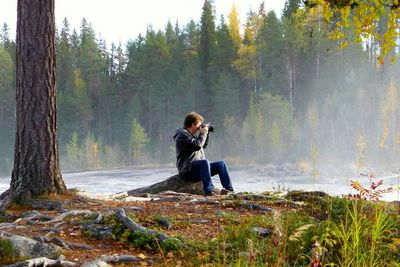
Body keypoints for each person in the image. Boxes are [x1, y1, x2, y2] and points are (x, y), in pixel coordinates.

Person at [173, 111, 234, 196]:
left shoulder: (190, 135)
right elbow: (198, 145)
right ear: (193, 124)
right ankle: (208, 191)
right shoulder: (182, 135)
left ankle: (229, 190)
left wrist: (207, 133)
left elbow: (203, 145)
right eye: (199, 125)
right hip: (187, 170)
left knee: (221, 164)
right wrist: (203, 133)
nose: (199, 128)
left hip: (199, 168)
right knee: (205, 162)